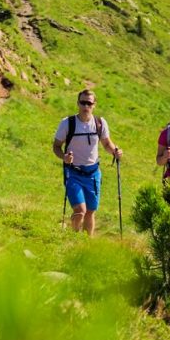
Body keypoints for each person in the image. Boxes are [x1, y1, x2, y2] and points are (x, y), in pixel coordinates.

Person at [51, 89, 123, 235]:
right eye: (83, 103)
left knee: (90, 211)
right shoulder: (67, 123)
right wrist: (64, 157)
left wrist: (115, 151)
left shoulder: (100, 123)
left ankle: (86, 243)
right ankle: (73, 237)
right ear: (78, 103)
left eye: (89, 103)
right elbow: (56, 146)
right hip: (73, 173)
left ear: (94, 104)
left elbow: (107, 144)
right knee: (80, 211)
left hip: (93, 174)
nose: (85, 106)